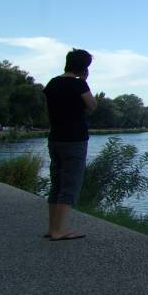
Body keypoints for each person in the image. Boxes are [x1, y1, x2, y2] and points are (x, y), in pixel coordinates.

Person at [43, 49, 97, 241]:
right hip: (74, 140)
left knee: (56, 184)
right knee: (70, 185)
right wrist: (84, 80)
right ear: (84, 67)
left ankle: (52, 228)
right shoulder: (78, 84)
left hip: (55, 138)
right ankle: (59, 231)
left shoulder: (52, 83)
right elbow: (92, 105)